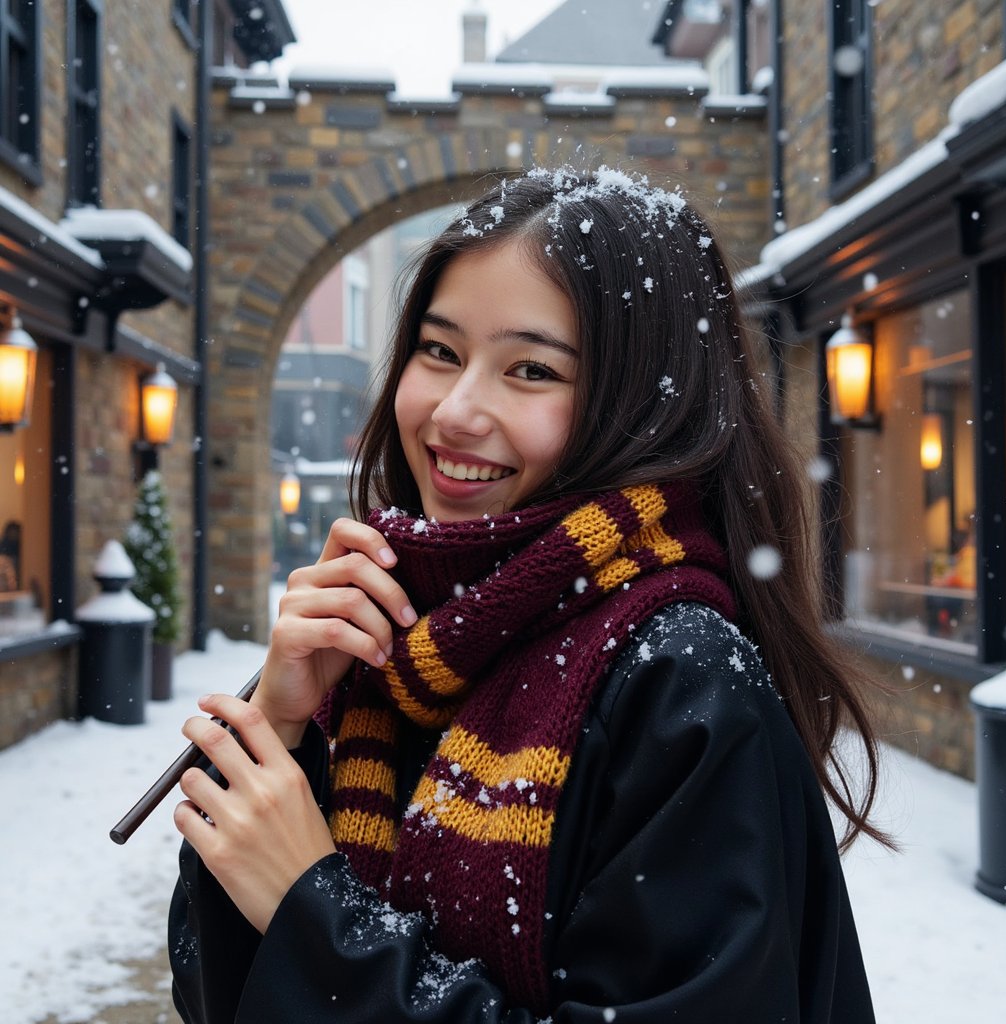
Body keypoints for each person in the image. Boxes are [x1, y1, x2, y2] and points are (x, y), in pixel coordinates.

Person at [169, 167, 884, 1023]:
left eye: (532, 369)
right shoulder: (389, 651)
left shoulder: (682, 681)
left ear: (643, 407)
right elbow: (214, 993)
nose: (454, 411)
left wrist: (317, 917)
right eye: (440, 351)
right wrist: (278, 733)